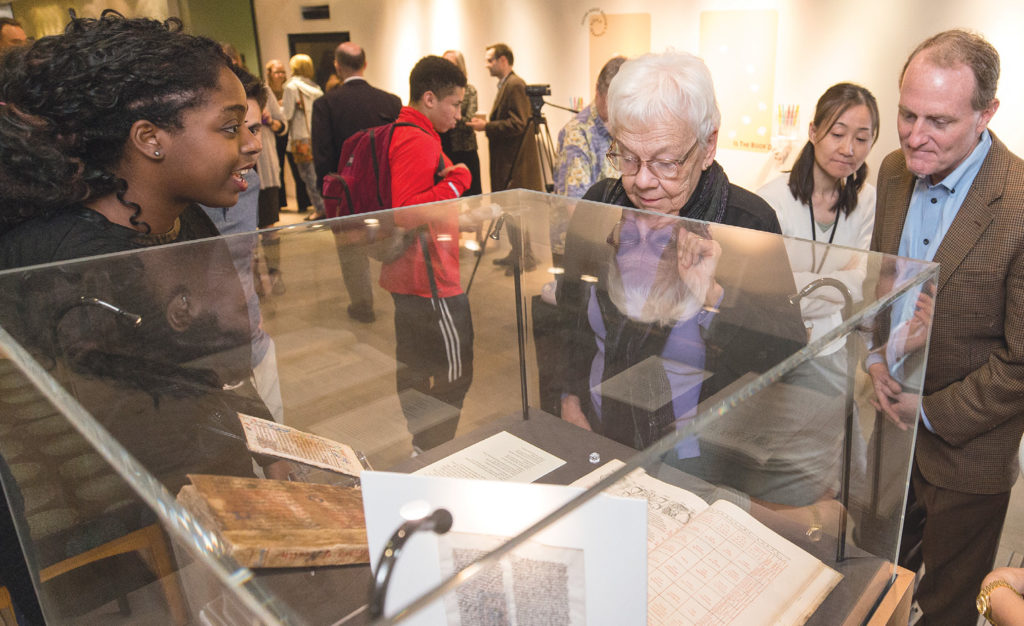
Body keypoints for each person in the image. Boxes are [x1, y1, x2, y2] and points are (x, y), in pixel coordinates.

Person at [0, 11, 277, 622]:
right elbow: (141, 427)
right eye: (229, 128)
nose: (252, 143)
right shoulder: (72, 262)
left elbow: (216, 367)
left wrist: (270, 442)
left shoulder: (182, 214)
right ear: (151, 138)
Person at [558, 51, 805, 458]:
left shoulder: (745, 224)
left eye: (666, 162)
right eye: (628, 156)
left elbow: (785, 352)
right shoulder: (601, 206)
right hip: (597, 433)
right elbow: (569, 319)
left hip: (698, 456)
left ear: (708, 145)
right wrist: (569, 398)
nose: (642, 181)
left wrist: (715, 297)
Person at [866, 29, 1024, 624]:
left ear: (987, 114)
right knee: (875, 579)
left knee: (945, 607)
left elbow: (1021, 361)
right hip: (885, 428)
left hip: (968, 451)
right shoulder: (892, 171)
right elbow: (881, 288)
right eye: (906, 113)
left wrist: (927, 410)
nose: (914, 134)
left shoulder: (1019, 205)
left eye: (938, 120)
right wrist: (876, 360)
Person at [379, 55, 473, 451]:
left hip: (411, 274)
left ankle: (424, 443)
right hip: (430, 277)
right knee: (456, 369)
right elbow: (405, 212)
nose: (458, 115)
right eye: (455, 104)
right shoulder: (416, 138)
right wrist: (459, 182)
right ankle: (435, 445)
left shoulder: (408, 131)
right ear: (430, 98)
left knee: (416, 367)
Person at [199, 64, 285, 424]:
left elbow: (239, 261)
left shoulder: (246, 178)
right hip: (204, 369)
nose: (254, 144)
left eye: (255, 128)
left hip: (254, 348)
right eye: (234, 131)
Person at [311, 42, 401, 323]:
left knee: (351, 251)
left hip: (346, 193)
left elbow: (323, 155)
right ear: (365, 63)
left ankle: (363, 306)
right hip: (385, 192)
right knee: (391, 241)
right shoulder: (391, 101)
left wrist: (327, 195)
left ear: (338, 66)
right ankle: (401, 294)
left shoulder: (326, 103)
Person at [553, 55, 626, 199]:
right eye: (611, 103)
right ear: (597, 91)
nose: (618, 110)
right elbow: (576, 207)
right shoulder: (577, 134)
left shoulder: (624, 126)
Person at [281, 53, 325, 220]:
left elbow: (287, 114)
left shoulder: (291, 87)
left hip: (300, 137)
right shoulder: (316, 88)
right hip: (315, 136)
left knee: (307, 176)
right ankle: (322, 206)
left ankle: (319, 208)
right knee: (315, 174)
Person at [267, 58, 309, 211]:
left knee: (297, 169)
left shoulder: (288, 88)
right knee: (277, 167)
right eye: (277, 72)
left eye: (283, 72)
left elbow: (288, 112)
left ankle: (304, 202)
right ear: (270, 74)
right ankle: (279, 202)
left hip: (289, 131)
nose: (280, 75)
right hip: (274, 133)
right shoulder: (267, 90)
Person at [440, 49, 481, 197]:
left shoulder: (469, 90)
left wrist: (447, 118)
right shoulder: (439, 91)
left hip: (465, 149)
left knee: (472, 196)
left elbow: (469, 120)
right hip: (444, 148)